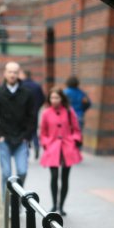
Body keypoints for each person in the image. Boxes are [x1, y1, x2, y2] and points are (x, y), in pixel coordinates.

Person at [0, 62, 35, 199]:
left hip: (21, 138)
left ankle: (18, 200)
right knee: (6, 174)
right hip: (4, 138)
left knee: (22, 172)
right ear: (5, 73)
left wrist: (27, 136)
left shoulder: (27, 94)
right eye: (10, 72)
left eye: (15, 72)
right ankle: (6, 203)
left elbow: (32, 117)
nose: (12, 75)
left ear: (19, 74)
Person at [39, 87, 82, 216]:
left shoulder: (69, 111)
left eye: (57, 97)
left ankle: (61, 206)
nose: (54, 100)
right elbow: (43, 132)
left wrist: (74, 140)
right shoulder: (46, 113)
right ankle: (54, 204)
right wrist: (46, 143)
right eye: (52, 97)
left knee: (65, 178)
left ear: (62, 98)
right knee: (54, 176)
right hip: (52, 148)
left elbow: (76, 129)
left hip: (67, 147)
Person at [19, 69, 45, 159]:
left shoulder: (21, 85)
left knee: (24, 132)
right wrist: (37, 107)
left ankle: (26, 152)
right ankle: (37, 146)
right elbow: (43, 99)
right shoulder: (37, 86)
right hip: (34, 112)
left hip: (23, 113)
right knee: (33, 131)